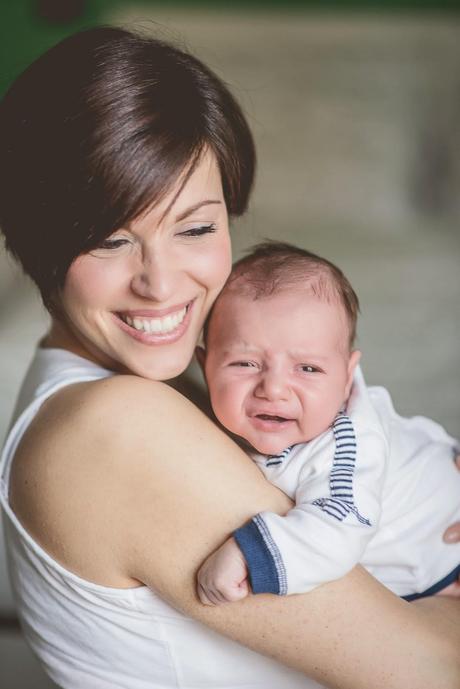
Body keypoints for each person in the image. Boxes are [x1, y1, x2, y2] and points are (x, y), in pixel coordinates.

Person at [0, 26, 459, 689]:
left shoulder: (170, 375)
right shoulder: (115, 425)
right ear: (40, 239)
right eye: (108, 239)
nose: (162, 284)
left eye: (195, 228)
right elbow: (435, 669)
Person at [196, 242, 460, 605]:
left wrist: (247, 555)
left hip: (442, 547)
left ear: (347, 377)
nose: (273, 389)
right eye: (245, 363)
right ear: (204, 365)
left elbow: (338, 526)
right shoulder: (196, 418)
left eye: (307, 368)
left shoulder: (345, 448)